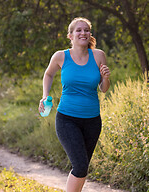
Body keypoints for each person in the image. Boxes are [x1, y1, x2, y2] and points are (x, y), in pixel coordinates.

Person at [38, 17, 110, 192]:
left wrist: (106, 77)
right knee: (80, 165)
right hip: (67, 119)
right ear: (70, 35)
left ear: (90, 34)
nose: (83, 33)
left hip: (92, 121)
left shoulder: (99, 55)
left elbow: (103, 89)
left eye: (86, 30)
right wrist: (44, 96)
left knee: (82, 168)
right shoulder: (61, 56)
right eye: (78, 30)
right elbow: (48, 75)